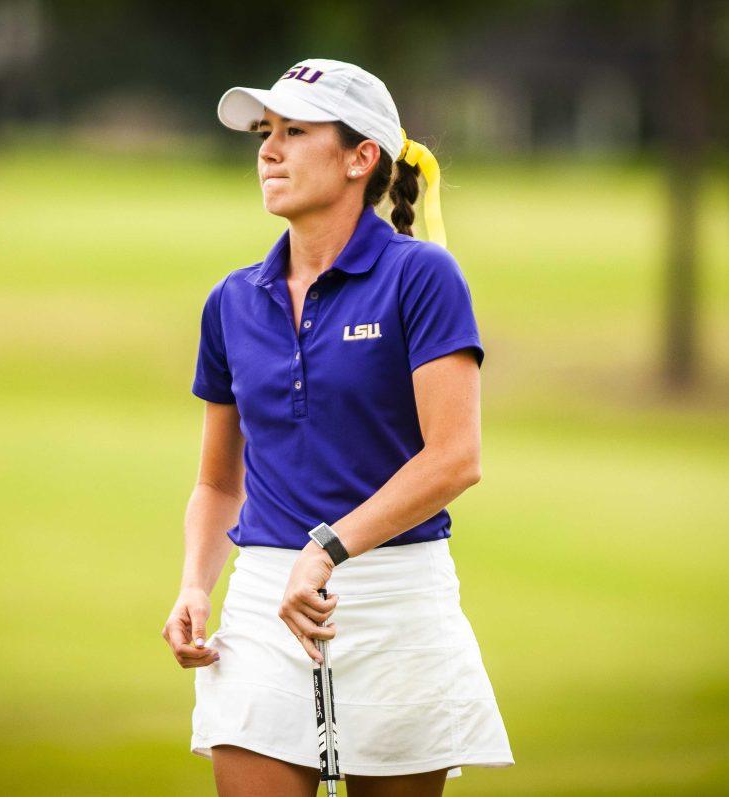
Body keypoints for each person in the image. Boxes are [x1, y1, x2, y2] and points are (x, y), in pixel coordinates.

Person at [161, 58, 515, 797]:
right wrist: (196, 583)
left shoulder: (421, 278)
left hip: (394, 601)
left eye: (295, 131)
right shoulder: (230, 301)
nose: (269, 150)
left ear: (361, 158)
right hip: (263, 602)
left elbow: (456, 458)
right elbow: (217, 481)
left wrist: (329, 547)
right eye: (266, 132)